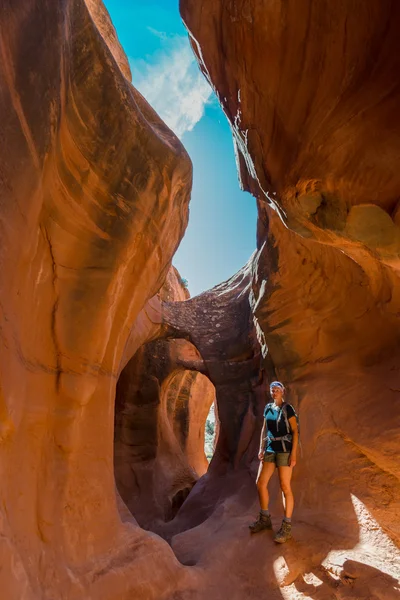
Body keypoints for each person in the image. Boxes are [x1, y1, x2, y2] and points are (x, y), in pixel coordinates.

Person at [249, 380, 299, 543]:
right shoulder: (268, 408)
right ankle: (265, 519)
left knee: (285, 486)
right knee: (261, 482)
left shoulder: (288, 408)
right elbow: (265, 428)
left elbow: (295, 431)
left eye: (277, 389)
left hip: (284, 450)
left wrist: (293, 454)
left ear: (283, 391)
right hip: (270, 448)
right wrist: (261, 447)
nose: (274, 391)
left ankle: (287, 527)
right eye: (272, 389)